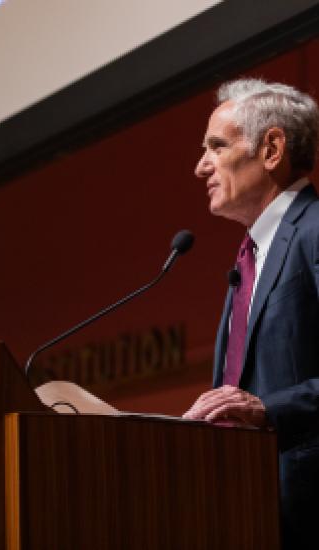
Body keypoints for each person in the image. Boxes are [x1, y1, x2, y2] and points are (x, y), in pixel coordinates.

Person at [183, 78, 319, 549]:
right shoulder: (250, 257)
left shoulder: (315, 232)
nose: (201, 166)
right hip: (247, 510)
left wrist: (268, 409)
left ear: (272, 148)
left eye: (216, 146)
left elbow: (261, 406)